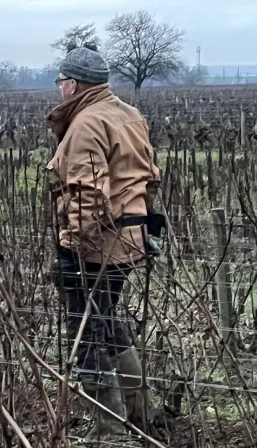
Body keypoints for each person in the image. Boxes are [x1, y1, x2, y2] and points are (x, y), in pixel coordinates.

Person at [46, 45, 161, 442]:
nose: (59, 88)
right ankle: (142, 413)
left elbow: (87, 193)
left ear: (74, 84)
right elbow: (148, 178)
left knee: (87, 336)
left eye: (61, 81)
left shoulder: (85, 124)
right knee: (109, 322)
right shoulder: (130, 115)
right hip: (131, 239)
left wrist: (71, 246)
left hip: (97, 246)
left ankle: (110, 433)